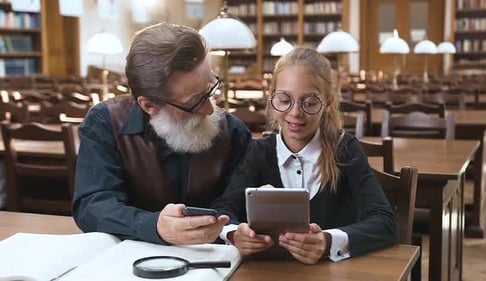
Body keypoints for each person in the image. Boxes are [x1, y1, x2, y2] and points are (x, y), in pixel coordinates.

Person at [211, 47, 398, 264]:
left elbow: (385, 222)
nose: (295, 113)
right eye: (284, 100)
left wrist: (327, 241)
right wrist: (235, 234)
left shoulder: (345, 149)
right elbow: (223, 210)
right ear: (272, 98)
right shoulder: (257, 152)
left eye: (309, 103)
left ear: (327, 102)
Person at [72, 22, 251, 245]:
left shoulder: (233, 132)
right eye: (194, 101)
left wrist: (229, 229)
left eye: (210, 88)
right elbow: (92, 206)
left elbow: (237, 202)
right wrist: (153, 225)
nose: (210, 109)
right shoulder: (105, 124)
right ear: (148, 105)